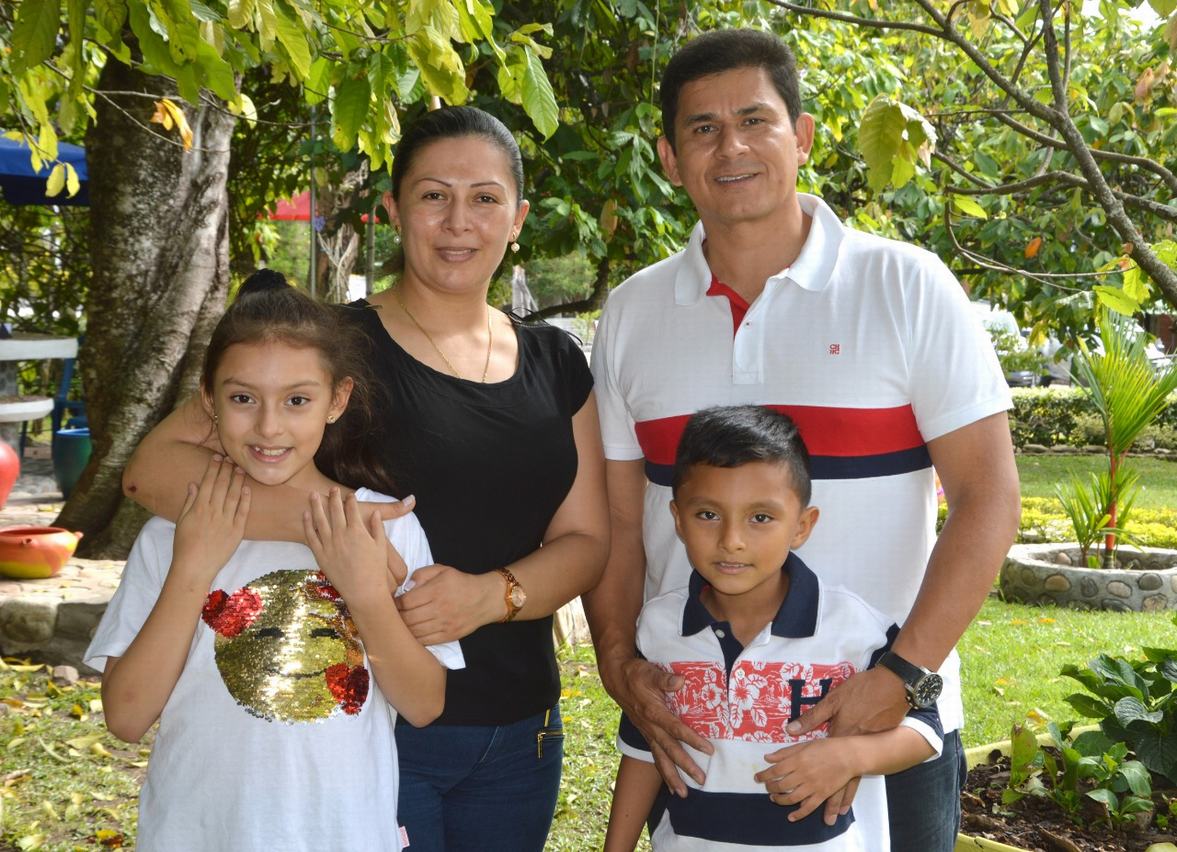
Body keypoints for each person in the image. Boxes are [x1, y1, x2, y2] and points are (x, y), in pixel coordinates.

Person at [122, 107, 609, 852]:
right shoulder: (326, 348)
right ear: (393, 209)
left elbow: (585, 541)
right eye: (432, 195)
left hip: (520, 729)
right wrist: (345, 531)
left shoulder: (555, 359)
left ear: (517, 217)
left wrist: (490, 595)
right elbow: (151, 473)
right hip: (371, 725)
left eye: (483, 198)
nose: (457, 222)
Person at [586, 29, 1021, 850]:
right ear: (669, 157)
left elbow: (989, 498)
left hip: (886, 725)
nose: (732, 146)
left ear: (803, 134)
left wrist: (897, 675)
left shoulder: (905, 284)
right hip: (700, 730)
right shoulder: (634, 314)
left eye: (755, 118)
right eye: (702, 128)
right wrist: (618, 664)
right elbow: (617, 526)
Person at [86, 272, 465, 851]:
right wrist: (192, 569)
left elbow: (423, 705)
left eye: (297, 400)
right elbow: (127, 717)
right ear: (208, 403)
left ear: (336, 400)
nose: (268, 426)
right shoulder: (170, 533)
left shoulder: (385, 526)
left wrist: (365, 592)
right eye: (242, 399)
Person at [603, 406, 941, 852]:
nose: (732, 540)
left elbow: (925, 730)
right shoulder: (659, 627)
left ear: (802, 526)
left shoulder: (853, 627)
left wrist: (849, 756)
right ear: (678, 519)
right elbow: (644, 748)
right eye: (708, 515)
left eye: (760, 517)